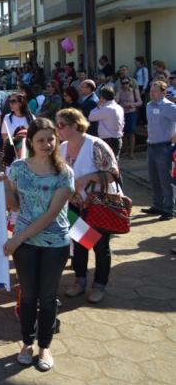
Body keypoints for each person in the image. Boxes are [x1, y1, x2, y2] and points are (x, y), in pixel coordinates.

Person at [0, 118, 74, 372]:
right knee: (28, 297)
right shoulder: (19, 168)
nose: (46, 144)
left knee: (48, 297)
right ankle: (26, 344)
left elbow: (50, 214)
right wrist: (5, 185)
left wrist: (17, 238)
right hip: (25, 244)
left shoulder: (64, 173)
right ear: (30, 141)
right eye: (40, 140)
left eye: (50, 139)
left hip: (54, 243)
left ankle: (45, 347)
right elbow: (17, 206)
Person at [56, 108, 120, 305]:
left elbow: (113, 173)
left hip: (98, 206)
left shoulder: (95, 145)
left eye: (61, 125)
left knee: (101, 247)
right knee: (81, 244)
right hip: (74, 205)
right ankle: (80, 281)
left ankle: (99, 285)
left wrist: (87, 178)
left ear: (75, 125)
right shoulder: (63, 147)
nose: (58, 129)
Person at [143, 81, 176, 220]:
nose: (151, 93)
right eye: (151, 90)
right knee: (154, 178)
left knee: (165, 179)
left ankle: (169, 209)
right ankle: (158, 205)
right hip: (151, 146)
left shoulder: (170, 106)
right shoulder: (149, 106)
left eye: (155, 91)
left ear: (163, 92)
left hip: (164, 147)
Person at [88, 87, 125, 159]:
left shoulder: (106, 108)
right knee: (114, 164)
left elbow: (91, 117)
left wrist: (98, 106)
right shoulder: (119, 107)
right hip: (117, 138)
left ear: (102, 97)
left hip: (108, 140)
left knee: (106, 166)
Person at [116, 77, 142, 159]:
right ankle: (126, 151)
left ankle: (131, 152)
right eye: (123, 83)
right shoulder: (120, 92)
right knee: (124, 132)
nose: (125, 85)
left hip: (132, 112)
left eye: (126, 83)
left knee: (131, 132)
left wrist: (132, 105)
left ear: (129, 83)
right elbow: (115, 101)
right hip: (123, 113)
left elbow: (140, 102)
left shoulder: (134, 91)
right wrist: (121, 105)